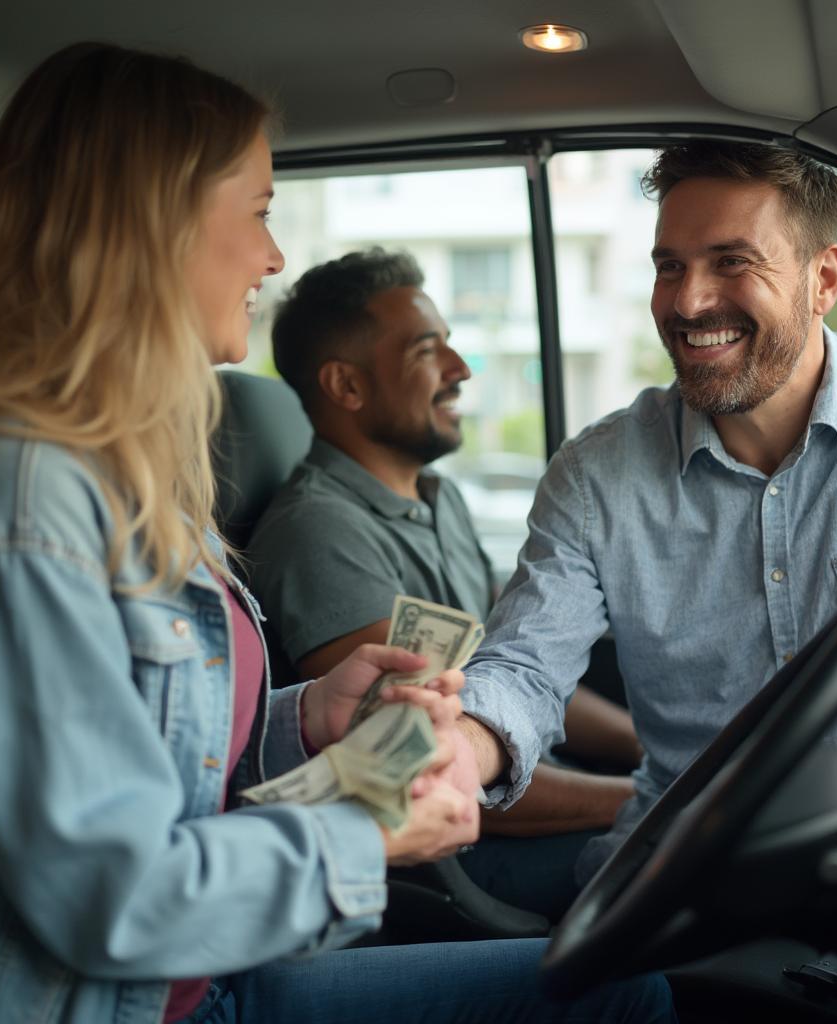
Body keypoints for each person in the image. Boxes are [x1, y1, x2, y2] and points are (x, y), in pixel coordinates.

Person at [0, 41, 676, 1024]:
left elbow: (156, 764)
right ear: (157, 226)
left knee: (622, 989)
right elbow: (110, 890)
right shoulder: (19, 506)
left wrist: (307, 719)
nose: (275, 257)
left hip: (200, 975)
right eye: (261, 212)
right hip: (110, 1001)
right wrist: (371, 833)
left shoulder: (117, 477)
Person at [454, 139, 837, 884]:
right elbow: (522, 667)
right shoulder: (596, 476)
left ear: (824, 279)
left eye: (732, 262)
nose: (687, 301)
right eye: (669, 266)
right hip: (692, 880)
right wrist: (460, 746)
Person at [248, 248, 639, 920]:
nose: (459, 370)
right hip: (467, 856)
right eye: (429, 351)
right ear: (346, 386)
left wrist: (649, 748)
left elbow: (520, 674)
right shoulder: (317, 533)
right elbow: (421, 766)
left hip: (518, 788)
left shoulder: (440, 498)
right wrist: (645, 796)